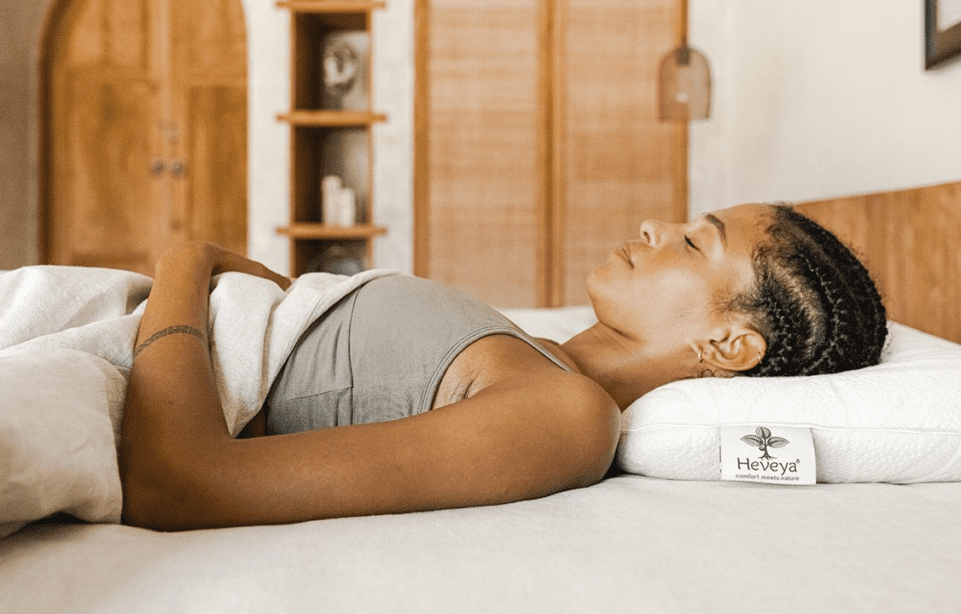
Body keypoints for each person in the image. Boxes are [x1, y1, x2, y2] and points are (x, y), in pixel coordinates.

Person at [118, 203, 887, 531]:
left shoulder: (568, 413)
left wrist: (185, 262)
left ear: (727, 346)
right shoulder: (533, 351)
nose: (657, 224)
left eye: (693, 242)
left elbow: (176, 480)